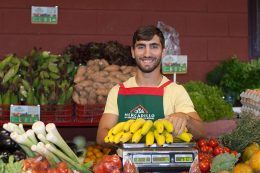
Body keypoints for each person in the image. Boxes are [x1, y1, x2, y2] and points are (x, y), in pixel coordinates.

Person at [96, 25, 206, 145]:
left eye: (154, 46)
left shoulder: (176, 91)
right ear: (133, 52)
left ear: (163, 52)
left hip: (165, 163)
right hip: (124, 162)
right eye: (141, 47)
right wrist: (128, 140)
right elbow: (101, 135)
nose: (147, 53)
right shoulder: (118, 91)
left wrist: (186, 119)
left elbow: (201, 132)